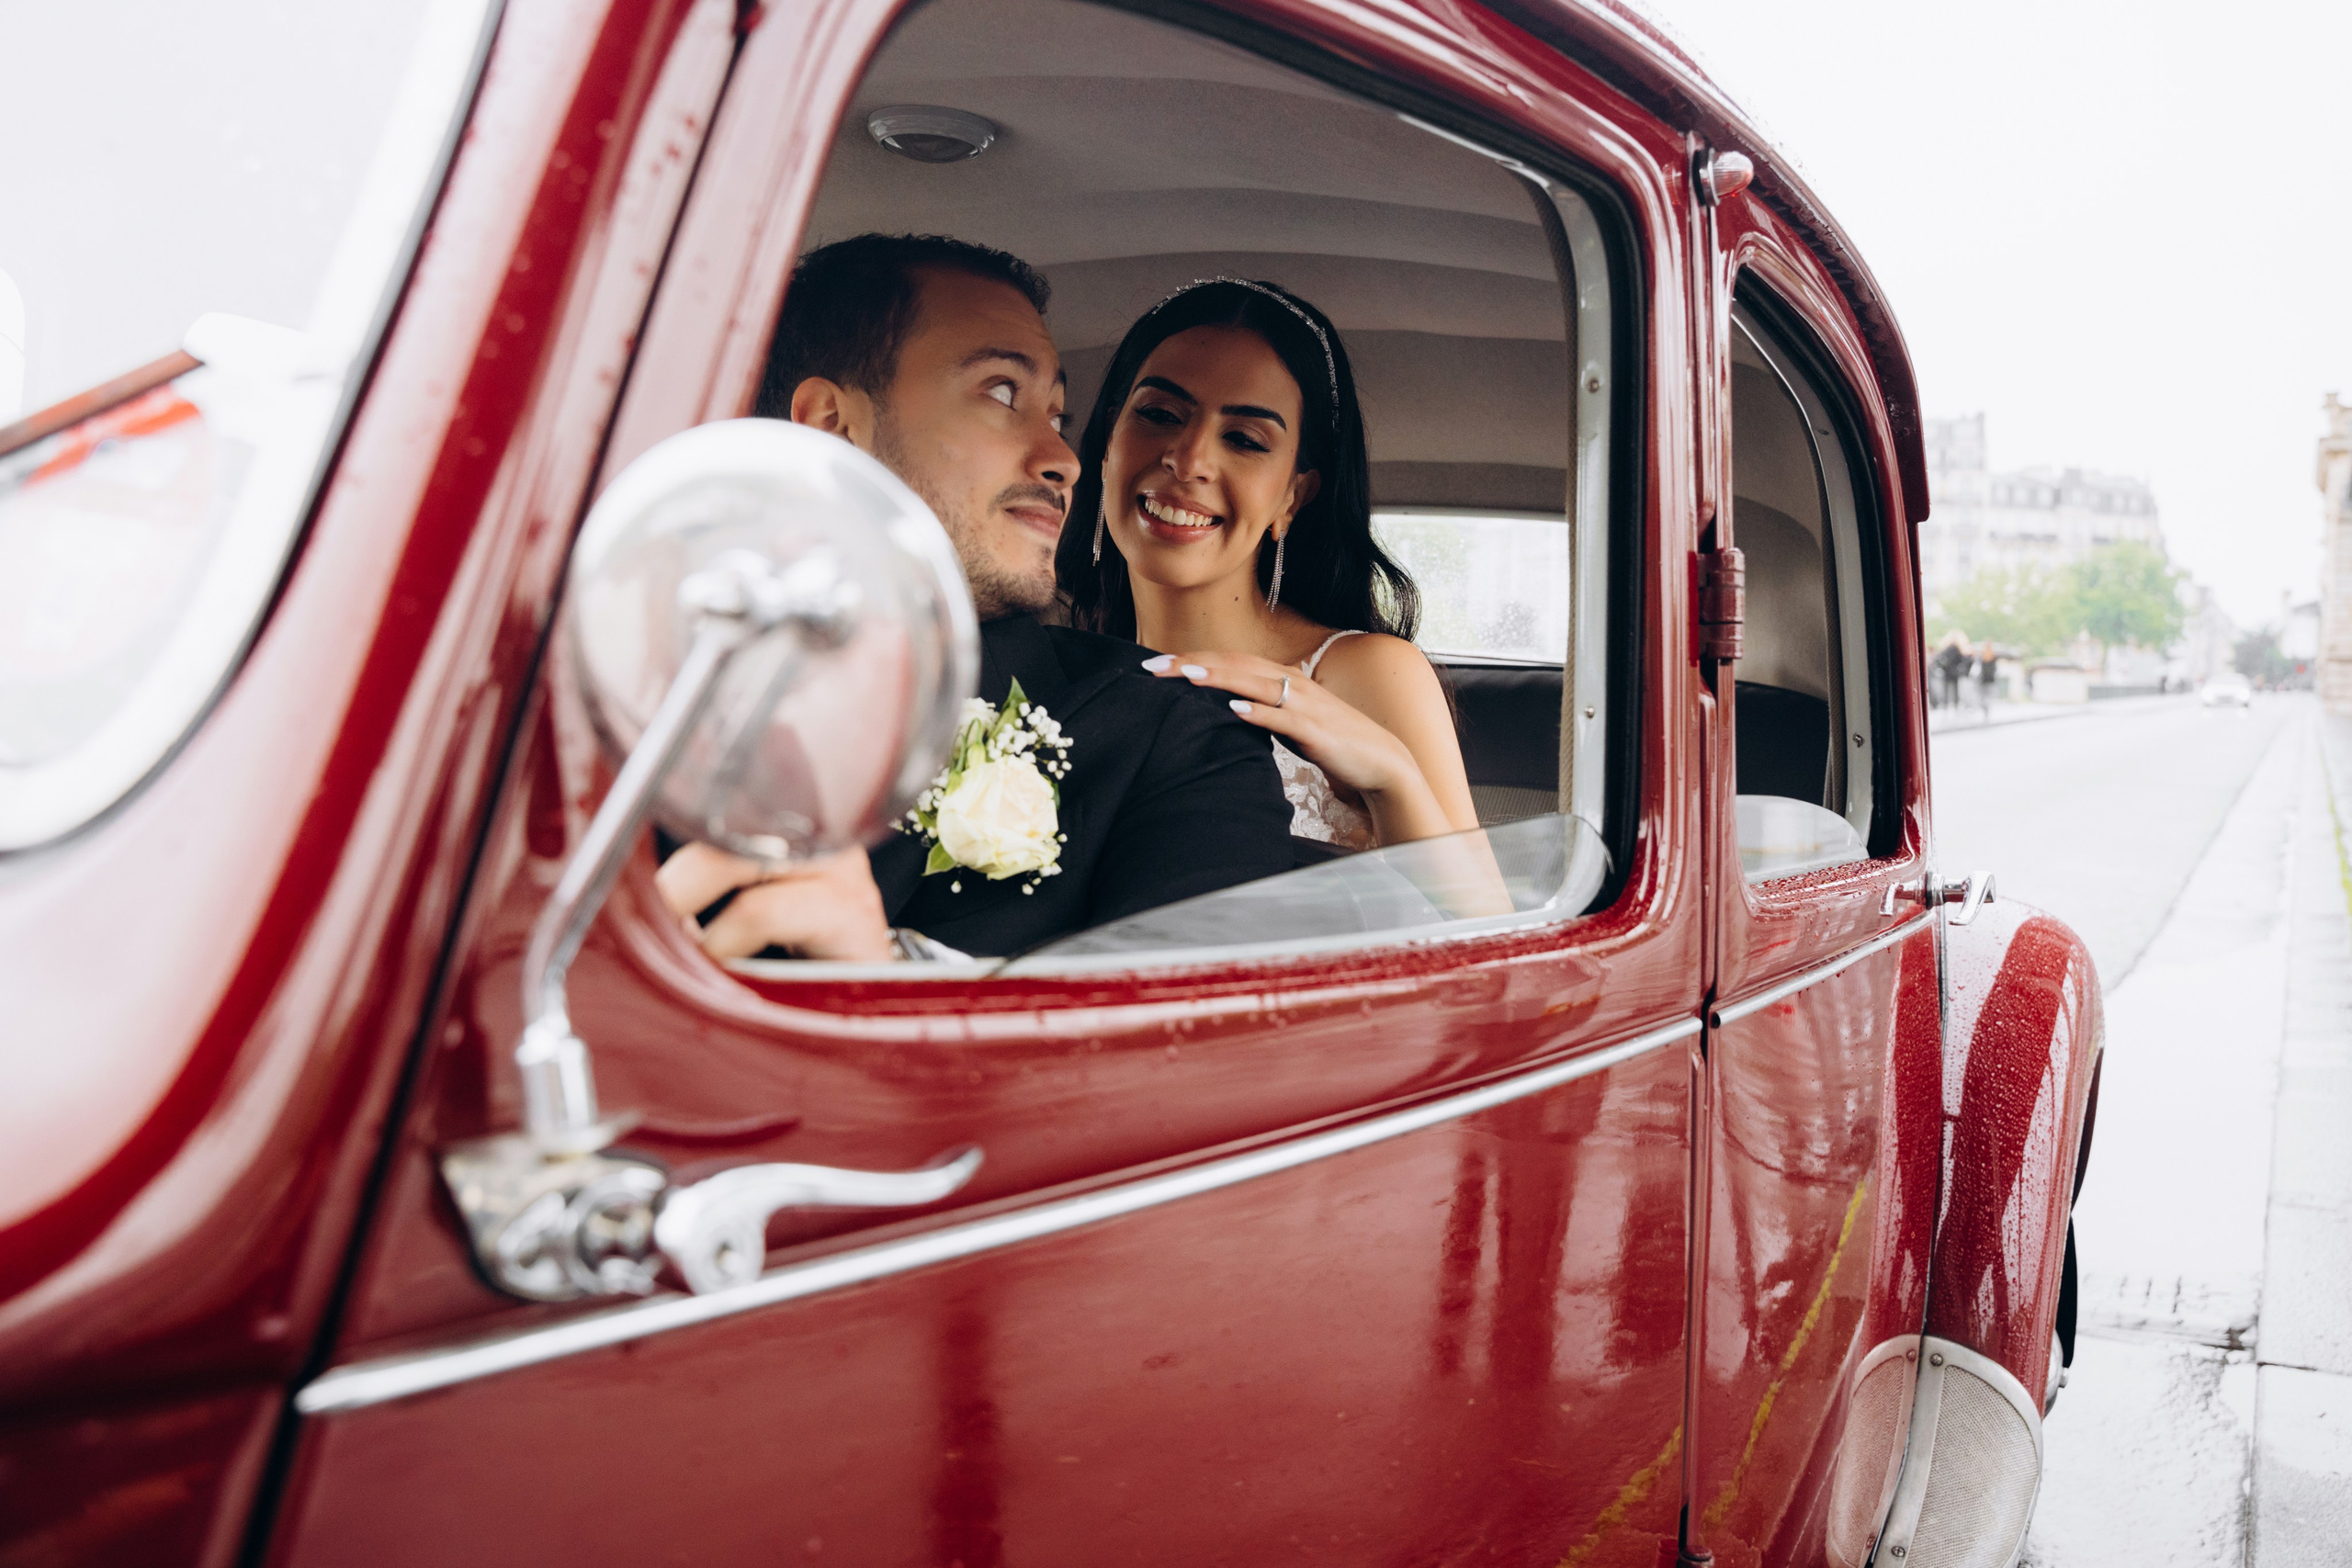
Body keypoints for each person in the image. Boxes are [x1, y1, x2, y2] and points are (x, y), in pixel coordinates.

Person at [657, 235, 1295, 961]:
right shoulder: (624, 691)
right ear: (833, 428)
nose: (1063, 459)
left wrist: (881, 976)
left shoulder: (1176, 739)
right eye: (1002, 393)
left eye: (1056, 416)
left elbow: (1197, 1061)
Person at [1054, 278, 1475, 854]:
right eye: (1159, 413)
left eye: (1245, 439)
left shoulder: (1365, 673)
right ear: (1106, 445)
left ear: (1292, 498)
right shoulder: (1051, 665)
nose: (1189, 459)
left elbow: (1483, 928)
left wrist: (1391, 778)